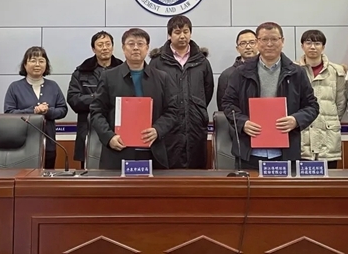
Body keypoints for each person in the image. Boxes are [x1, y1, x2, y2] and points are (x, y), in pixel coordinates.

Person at [221, 21, 319, 170]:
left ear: (282, 41)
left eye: (274, 39)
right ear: (257, 42)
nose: (269, 44)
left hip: (286, 152)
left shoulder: (296, 73)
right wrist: (242, 123)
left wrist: (296, 120)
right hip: (249, 152)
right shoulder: (241, 72)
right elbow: (228, 103)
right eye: (264, 39)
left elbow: (312, 106)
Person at [90, 28, 179, 170]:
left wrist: (158, 130)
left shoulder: (162, 78)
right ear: (123, 48)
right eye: (131, 44)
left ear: (147, 48)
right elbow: (96, 112)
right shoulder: (108, 77)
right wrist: (109, 137)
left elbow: (172, 111)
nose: (136, 48)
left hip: (153, 152)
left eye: (140, 44)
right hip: (117, 152)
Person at [148, 15, 213, 169]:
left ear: (190, 33)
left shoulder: (202, 61)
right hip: (167, 125)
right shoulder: (157, 62)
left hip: (195, 125)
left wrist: (195, 109)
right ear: (169, 35)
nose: (182, 36)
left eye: (186, 31)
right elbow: (153, 93)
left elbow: (207, 91)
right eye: (177, 32)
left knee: (196, 170)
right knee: (167, 171)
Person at [4, 46, 68, 170]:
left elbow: (63, 110)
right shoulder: (15, 87)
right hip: (22, 144)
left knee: (47, 177)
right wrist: (33, 111)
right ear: (25, 65)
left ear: (46, 65)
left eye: (41, 61)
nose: (37, 64)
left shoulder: (53, 86)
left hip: (48, 143)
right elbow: (9, 112)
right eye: (33, 60)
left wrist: (47, 111)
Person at [67, 31, 123, 168]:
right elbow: (73, 99)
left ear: (113, 47)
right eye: (100, 45)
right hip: (88, 128)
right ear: (93, 49)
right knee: (88, 172)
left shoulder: (123, 69)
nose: (105, 48)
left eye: (108, 44)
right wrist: (98, 99)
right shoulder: (81, 71)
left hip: (116, 129)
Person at [297, 30, 346, 169]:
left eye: (317, 43)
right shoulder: (293, 70)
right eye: (308, 43)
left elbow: (340, 103)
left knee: (329, 178)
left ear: (323, 47)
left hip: (328, 136)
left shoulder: (336, 71)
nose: (313, 47)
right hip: (303, 136)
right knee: (301, 178)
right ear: (302, 46)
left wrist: (328, 121)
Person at [217, 29, 258, 111]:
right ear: (237, 48)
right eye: (243, 43)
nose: (248, 47)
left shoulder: (266, 71)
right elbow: (223, 106)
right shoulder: (227, 75)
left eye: (252, 42)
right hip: (237, 118)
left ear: (258, 45)